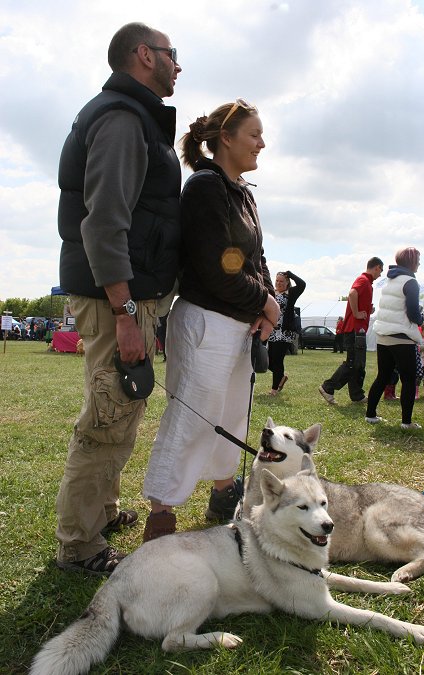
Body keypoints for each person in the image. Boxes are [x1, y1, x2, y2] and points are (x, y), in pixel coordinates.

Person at [55, 22, 182, 576]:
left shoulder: (130, 116)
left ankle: (101, 512)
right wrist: (127, 311)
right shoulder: (123, 119)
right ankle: (80, 546)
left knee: (121, 406)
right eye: (172, 54)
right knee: (107, 416)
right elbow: (104, 222)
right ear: (142, 55)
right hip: (117, 298)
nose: (178, 65)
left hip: (125, 294)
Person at [142, 98, 279, 541]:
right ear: (227, 137)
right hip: (206, 321)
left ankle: (224, 492)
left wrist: (266, 306)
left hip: (238, 324)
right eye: (254, 134)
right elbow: (218, 265)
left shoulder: (241, 192)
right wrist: (266, 301)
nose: (262, 143)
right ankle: (161, 517)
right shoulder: (205, 186)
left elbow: (255, 259)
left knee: (234, 414)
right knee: (193, 417)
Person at [365, 247, 423, 429]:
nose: (419, 263)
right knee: (408, 379)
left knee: (383, 376)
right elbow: (413, 313)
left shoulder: (390, 280)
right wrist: (421, 318)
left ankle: (370, 415)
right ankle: (406, 422)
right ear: (412, 262)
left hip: (383, 334)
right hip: (402, 337)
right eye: (418, 260)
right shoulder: (411, 282)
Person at [319, 257, 383, 404]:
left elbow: (356, 297)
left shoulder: (367, 282)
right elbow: (352, 293)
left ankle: (357, 395)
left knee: (358, 363)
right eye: (381, 271)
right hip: (354, 329)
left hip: (356, 329)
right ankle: (328, 387)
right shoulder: (364, 280)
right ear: (377, 267)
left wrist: (367, 309)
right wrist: (356, 313)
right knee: (353, 362)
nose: (380, 275)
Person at [267, 271, 306, 395]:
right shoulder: (272, 292)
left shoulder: (291, 293)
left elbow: (302, 284)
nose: (278, 283)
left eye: (282, 281)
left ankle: (274, 389)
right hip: (273, 331)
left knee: (278, 360)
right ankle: (281, 377)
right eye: (277, 280)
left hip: (284, 332)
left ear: (287, 282)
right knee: (269, 360)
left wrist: (290, 274)